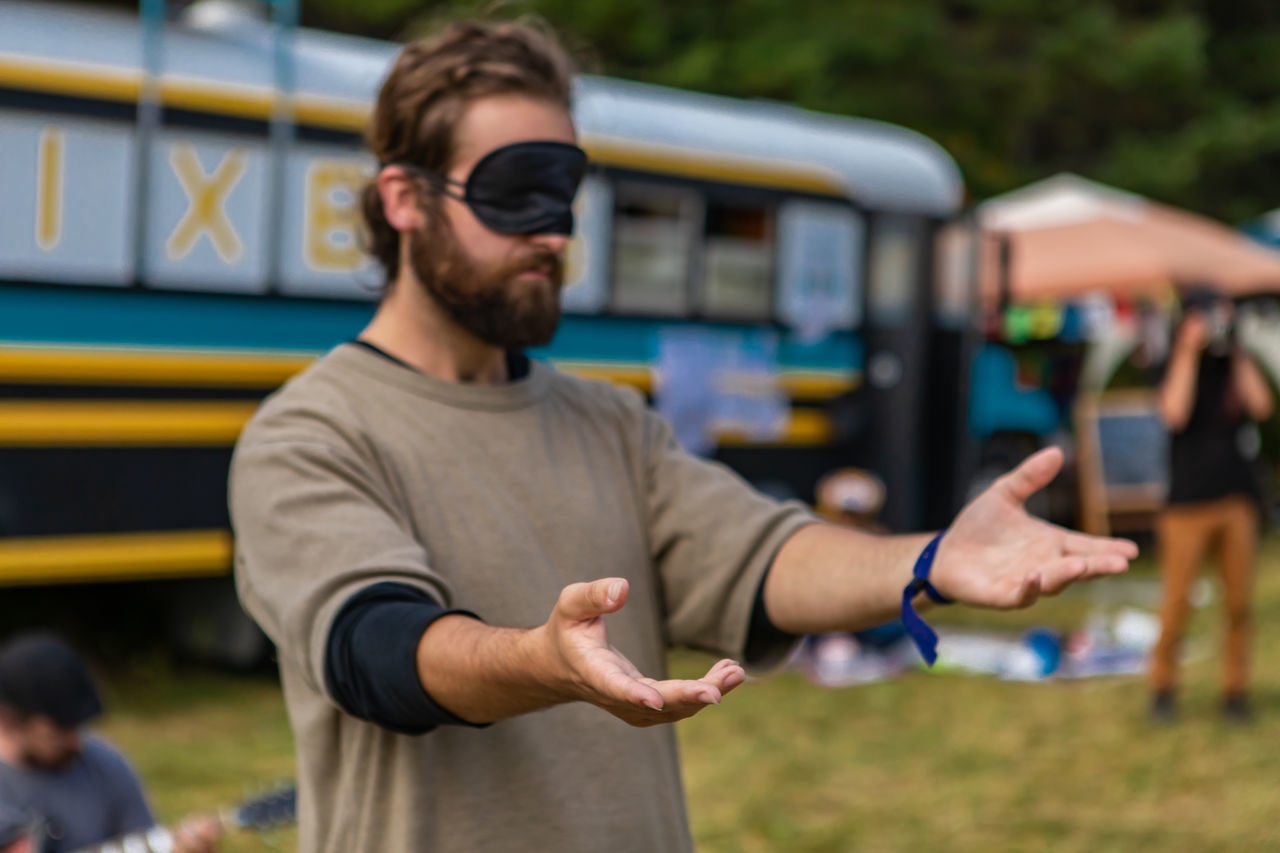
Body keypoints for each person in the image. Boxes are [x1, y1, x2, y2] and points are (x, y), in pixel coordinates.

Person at [228, 19, 1138, 852]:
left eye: (567, 190)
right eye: (516, 192)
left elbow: (763, 556)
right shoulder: (308, 434)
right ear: (404, 199)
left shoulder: (610, 422)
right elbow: (377, 649)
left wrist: (932, 559)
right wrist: (540, 661)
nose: (552, 233)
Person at [1150, 289, 1275, 721]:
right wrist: (1188, 348)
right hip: (1186, 501)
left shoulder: (1233, 361)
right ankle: (1162, 688)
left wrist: (1236, 350)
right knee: (1177, 602)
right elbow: (1174, 413)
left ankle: (1234, 692)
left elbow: (1262, 405)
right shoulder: (1172, 360)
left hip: (1236, 496)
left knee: (1239, 604)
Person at [0, 632, 220, 853]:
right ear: (9, 722)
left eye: (78, 726)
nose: (76, 742)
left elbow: (142, 839)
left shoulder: (104, 763)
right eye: (58, 732)